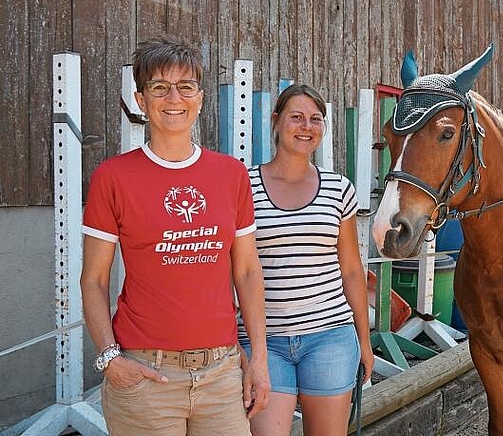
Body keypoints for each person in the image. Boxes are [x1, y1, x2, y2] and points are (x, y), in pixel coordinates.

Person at [80, 34, 270, 436]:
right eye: (159, 87)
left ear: (199, 98)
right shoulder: (112, 178)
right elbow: (93, 280)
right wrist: (110, 359)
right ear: (141, 100)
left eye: (185, 87)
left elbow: (248, 272)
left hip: (220, 375)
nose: (173, 98)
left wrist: (259, 360)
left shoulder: (231, 174)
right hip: (146, 376)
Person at [237, 83, 373, 436]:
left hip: (329, 336)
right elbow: (231, 271)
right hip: (263, 343)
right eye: (296, 117)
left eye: (315, 119)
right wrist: (237, 345)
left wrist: (364, 339)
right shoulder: (243, 186)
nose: (306, 126)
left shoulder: (339, 188)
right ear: (276, 121)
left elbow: (352, 271)